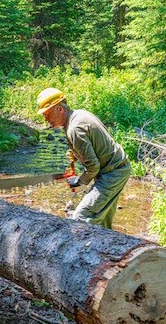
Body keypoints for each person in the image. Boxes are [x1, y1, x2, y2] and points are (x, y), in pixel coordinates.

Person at [37, 88, 131, 229]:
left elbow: (93, 167)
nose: (46, 119)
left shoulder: (74, 128)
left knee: (81, 218)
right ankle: (106, 249)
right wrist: (76, 152)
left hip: (112, 173)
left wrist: (80, 180)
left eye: (47, 114)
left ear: (59, 109)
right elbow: (95, 143)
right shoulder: (79, 114)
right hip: (116, 168)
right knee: (102, 219)